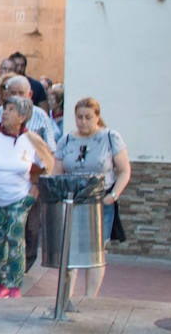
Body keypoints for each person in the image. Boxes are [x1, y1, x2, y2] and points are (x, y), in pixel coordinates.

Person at [0, 96, 54, 299]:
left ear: (22, 116)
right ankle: (0, 282)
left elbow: (46, 166)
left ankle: (14, 284)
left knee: (15, 238)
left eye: (10, 110)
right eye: (5, 109)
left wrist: (33, 193)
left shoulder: (32, 140)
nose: (5, 113)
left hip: (19, 198)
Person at [53, 97, 130, 298]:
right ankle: (66, 297)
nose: (83, 122)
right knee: (70, 249)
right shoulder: (67, 140)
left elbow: (123, 170)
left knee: (95, 250)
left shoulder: (110, 137)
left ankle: (90, 297)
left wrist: (113, 195)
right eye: (79, 117)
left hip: (100, 199)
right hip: (74, 200)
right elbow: (57, 172)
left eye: (88, 117)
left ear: (97, 117)